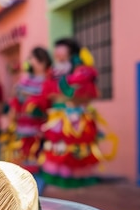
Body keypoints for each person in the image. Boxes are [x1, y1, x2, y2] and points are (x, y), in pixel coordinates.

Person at [39, 38, 105, 188]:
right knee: (59, 149)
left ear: (71, 53)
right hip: (59, 118)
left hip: (77, 118)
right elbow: (49, 94)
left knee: (77, 149)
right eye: (56, 51)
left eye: (62, 52)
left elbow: (88, 94)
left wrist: (69, 93)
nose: (58, 55)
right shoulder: (52, 72)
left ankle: (77, 183)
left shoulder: (81, 71)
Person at [2, 46, 53, 194]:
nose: (32, 62)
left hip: (40, 132)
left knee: (38, 167)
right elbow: (14, 103)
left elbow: (50, 104)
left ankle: (38, 196)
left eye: (35, 59)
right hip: (21, 131)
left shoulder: (49, 82)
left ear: (44, 61)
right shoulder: (23, 81)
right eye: (30, 59)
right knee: (22, 166)